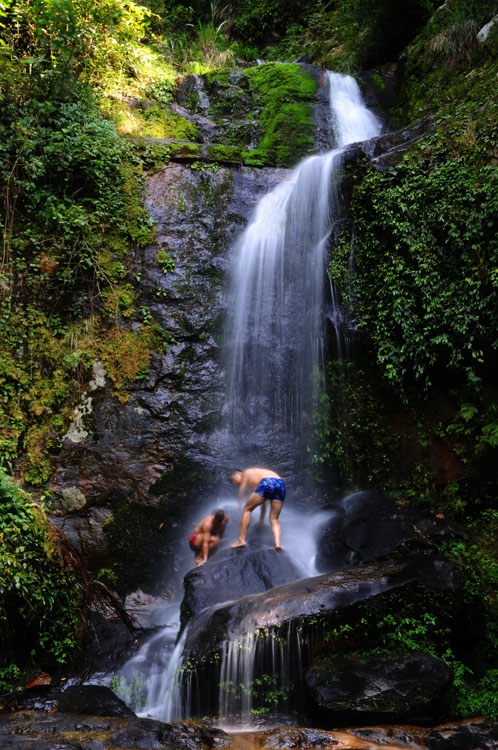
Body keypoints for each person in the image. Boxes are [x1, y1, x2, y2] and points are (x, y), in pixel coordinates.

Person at [229, 467, 285, 550]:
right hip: (280, 484)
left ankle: (241, 540)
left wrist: (239, 505)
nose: (235, 483)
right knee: (274, 519)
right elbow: (263, 502)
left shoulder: (246, 473)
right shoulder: (258, 477)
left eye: (233, 480)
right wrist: (261, 520)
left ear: (237, 474)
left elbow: (242, 489)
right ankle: (277, 543)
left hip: (267, 482)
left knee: (246, 509)